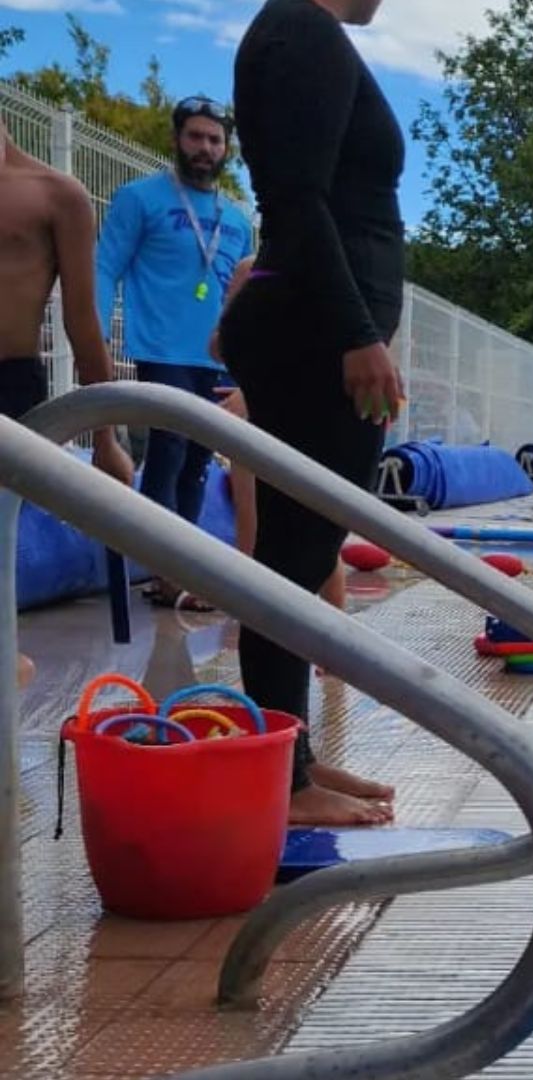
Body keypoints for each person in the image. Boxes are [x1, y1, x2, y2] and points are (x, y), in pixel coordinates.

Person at [223, 0, 407, 826]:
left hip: (313, 331)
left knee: (303, 551)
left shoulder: (301, 31)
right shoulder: (304, 27)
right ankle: (284, 780)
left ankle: (288, 757)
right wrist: (357, 332)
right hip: (315, 337)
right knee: (295, 558)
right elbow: (297, 200)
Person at [96, 97, 257, 609]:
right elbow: (104, 268)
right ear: (176, 139)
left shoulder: (235, 219)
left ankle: (181, 569)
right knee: (167, 453)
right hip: (159, 348)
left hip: (210, 358)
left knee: (195, 464)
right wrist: (95, 334)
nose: (205, 148)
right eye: (196, 137)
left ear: (226, 148)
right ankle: (170, 572)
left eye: (214, 139)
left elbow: (242, 293)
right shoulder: (139, 198)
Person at [1, 114, 133, 688]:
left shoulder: (55, 194)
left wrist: (105, 437)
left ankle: (7, 647)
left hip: (9, 380)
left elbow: (83, 321)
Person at [207, 256, 347, 611]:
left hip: (299, 409)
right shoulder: (254, 270)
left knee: (314, 530)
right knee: (259, 523)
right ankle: (263, 622)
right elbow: (221, 345)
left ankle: (333, 638)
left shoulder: (326, 268)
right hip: (267, 410)